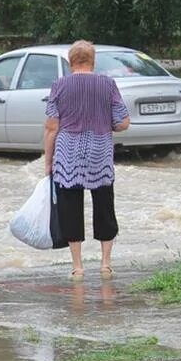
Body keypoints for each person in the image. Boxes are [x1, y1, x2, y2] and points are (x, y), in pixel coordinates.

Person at [43, 40, 131, 281]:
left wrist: (48, 161)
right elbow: (123, 122)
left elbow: (52, 127)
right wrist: (105, 123)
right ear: (93, 61)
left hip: (67, 154)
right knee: (104, 204)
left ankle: (78, 267)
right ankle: (105, 264)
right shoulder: (108, 84)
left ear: (70, 62)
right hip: (99, 152)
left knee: (70, 207)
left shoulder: (59, 86)